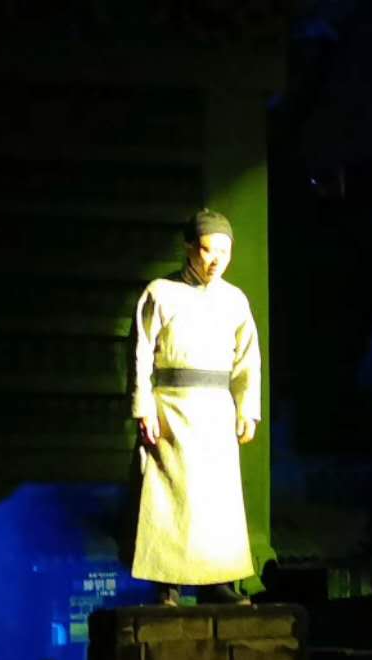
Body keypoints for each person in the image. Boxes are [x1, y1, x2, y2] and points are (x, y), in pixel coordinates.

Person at [130, 208, 261, 605]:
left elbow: (248, 358)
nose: (216, 260)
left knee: (216, 499)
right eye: (207, 249)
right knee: (170, 496)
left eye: (224, 251)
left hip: (216, 408)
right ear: (189, 247)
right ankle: (167, 584)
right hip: (171, 407)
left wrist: (247, 408)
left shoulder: (234, 300)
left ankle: (215, 581)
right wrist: (143, 407)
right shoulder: (160, 292)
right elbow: (140, 351)